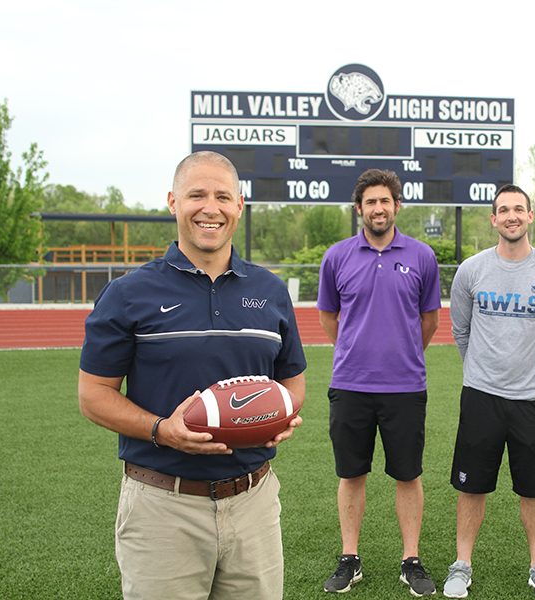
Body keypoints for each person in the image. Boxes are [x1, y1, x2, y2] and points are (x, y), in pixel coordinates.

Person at [78, 151, 307, 600]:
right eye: (196, 195)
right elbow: (93, 394)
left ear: (239, 205)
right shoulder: (128, 293)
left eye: (223, 196)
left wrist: (282, 416)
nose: (210, 207)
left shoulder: (271, 290)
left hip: (254, 501)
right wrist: (163, 431)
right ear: (172, 202)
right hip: (163, 505)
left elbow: (292, 380)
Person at [442, 184, 535, 600]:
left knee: (534, 489)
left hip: (532, 399)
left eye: (519, 208)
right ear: (493, 219)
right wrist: (487, 367)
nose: (512, 215)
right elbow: (461, 330)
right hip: (480, 395)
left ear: (530, 216)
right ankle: (462, 564)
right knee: (471, 486)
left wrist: (526, 368)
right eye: (504, 209)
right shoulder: (472, 270)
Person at [317, 168, 441, 596]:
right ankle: (350, 558)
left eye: (385, 201)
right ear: (359, 209)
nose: (378, 208)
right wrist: (359, 351)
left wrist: (400, 352)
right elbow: (330, 319)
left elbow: (429, 320)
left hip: (405, 386)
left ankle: (411, 559)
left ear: (397, 206)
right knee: (352, 474)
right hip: (351, 384)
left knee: (408, 475)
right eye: (370, 202)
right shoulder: (336, 257)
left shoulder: (422, 256)